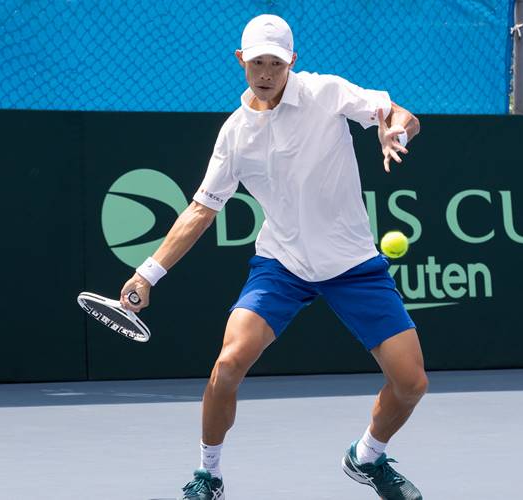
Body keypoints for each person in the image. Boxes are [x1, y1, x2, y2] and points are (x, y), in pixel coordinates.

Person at [120, 14, 425, 500]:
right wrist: (147, 274)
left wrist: (396, 133)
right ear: (241, 60)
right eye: (257, 62)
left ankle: (367, 456)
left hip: (352, 265)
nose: (265, 72)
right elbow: (201, 210)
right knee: (228, 364)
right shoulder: (234, 133)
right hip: (282, 266)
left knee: (411, 383)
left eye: (276, 63)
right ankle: (208, 474)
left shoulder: (326, 92)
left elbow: (400, 114)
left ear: (292, 62)